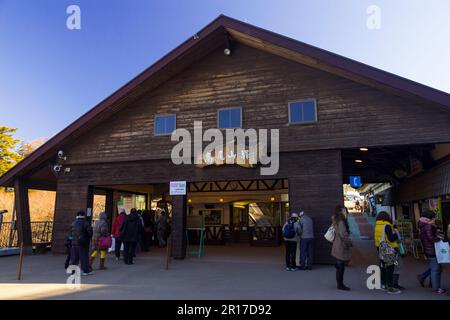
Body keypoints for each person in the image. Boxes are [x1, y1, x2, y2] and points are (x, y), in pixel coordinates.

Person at [416, 210, 446, 295]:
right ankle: (436, 288)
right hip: (432, 250)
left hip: (428, 250)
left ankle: (425, 279)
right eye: (433, 217)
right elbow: (431, 238)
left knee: (436, 268)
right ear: (429, 217)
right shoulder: (428, 225)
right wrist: (439, 238)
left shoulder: (423, 224)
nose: (434, 218)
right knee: (436, 269)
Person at [374, 211, 401, 294]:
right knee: (390, 267)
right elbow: (391, 239)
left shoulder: (377, 226)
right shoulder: (387, 226)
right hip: (389, 249)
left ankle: (383, 285)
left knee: (383, 266)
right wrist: (396, 233)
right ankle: (390, 287)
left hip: (380, 248)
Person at [331, 205, 352, 290]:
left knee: (339, 266)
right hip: (341, 245)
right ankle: (340, 285)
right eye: (344, 210)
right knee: (340, 266)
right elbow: (343, 234)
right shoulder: (341, 221)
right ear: (341, 211)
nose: (346, 212)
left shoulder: (335, 219)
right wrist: (349, 243)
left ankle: (339, 284)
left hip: (337, 244)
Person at [70, 210, 93, 276]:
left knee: (74, 257)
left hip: (74, 243)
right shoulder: (86, 223)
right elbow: (90, 232)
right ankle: (85, 271)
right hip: (83, 242)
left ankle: (73, 271)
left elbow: (70, 233)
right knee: (84, 257)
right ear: (83, 215)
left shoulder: (73, 223)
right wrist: (88, 237)